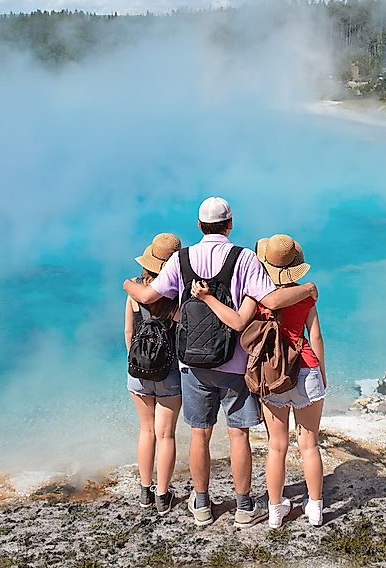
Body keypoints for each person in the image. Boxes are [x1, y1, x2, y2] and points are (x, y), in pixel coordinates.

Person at [122, 197, 316, 529]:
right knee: (238, 435)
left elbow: (149, 297)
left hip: (191, 365)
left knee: (200, 434)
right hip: (236, 364)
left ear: (199, 226)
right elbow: (270, 300)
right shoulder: (245, 258)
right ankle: (243, 507)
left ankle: (200, 505)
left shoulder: (181, 259)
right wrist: (308, 290)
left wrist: (128, 284)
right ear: (230, 224)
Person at [192, 233, 326, 529]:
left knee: (277, 446)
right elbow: (314, 336)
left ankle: (276, 511)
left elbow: (239, 324)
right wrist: (322, 373)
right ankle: (315, 508)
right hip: (306, 369)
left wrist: (206, 298)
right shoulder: (306, 296)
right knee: (309, 444)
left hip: (272, 375)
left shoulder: (257, 298)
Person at [124, 232, 183, 514]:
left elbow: (128, 332)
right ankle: (163, 496)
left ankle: (144, 492)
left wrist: (137, 362)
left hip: (138, 371)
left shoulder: (135, 289)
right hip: (170, 372)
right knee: (166, 435)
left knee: (146, 431)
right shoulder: (178, 292)